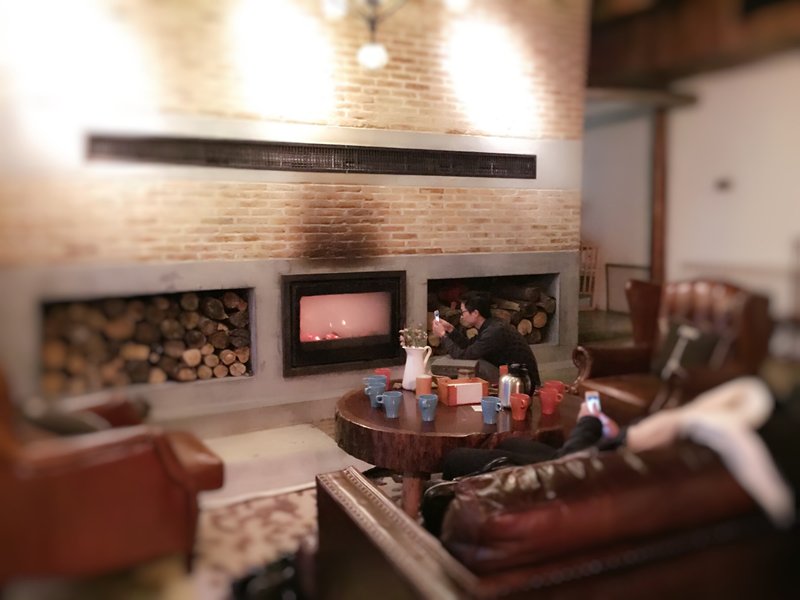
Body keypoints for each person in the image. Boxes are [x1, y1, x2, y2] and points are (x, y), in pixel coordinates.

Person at [440, 401, 620, 480]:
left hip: (564, 476)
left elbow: (571, 467)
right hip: (589, 460)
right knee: (509, 443)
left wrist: (589, 420)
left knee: (455, 458)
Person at [431, 291, 541, 386]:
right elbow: (468, 346)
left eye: (463, 312)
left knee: (466, 364)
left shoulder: (494, 331)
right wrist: (450, 329)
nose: (461, 316)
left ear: (475, 313)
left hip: (519, 382)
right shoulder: (490, 325)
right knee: (451, 359)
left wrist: (443, 335)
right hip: (507, 374)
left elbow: (464, 356)